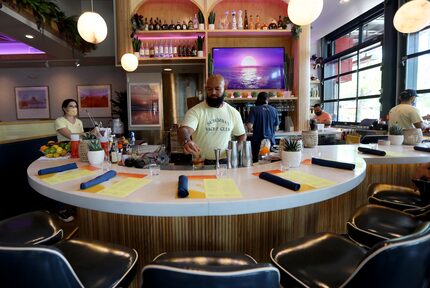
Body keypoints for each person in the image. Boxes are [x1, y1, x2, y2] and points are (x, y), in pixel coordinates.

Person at [179, 74, 246, 163]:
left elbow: (241, 135)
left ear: (224, 88)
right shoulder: (196, 111)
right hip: (200, 161)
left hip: (225, 162)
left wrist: (234, 152)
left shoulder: (233, 113)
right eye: (210, 89)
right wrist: (186, 141)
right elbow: (185, 130)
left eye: (217, 89)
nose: (213, 92)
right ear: (206, 89)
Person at [246, 92, 279, 162]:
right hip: (271, 142)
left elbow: (249, 126)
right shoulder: (274, 110)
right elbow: (276, 128)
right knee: (270, 163)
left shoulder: (254, 109)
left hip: (257, 142)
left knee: (257, 163)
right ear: (267, 100)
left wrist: (254, 128)